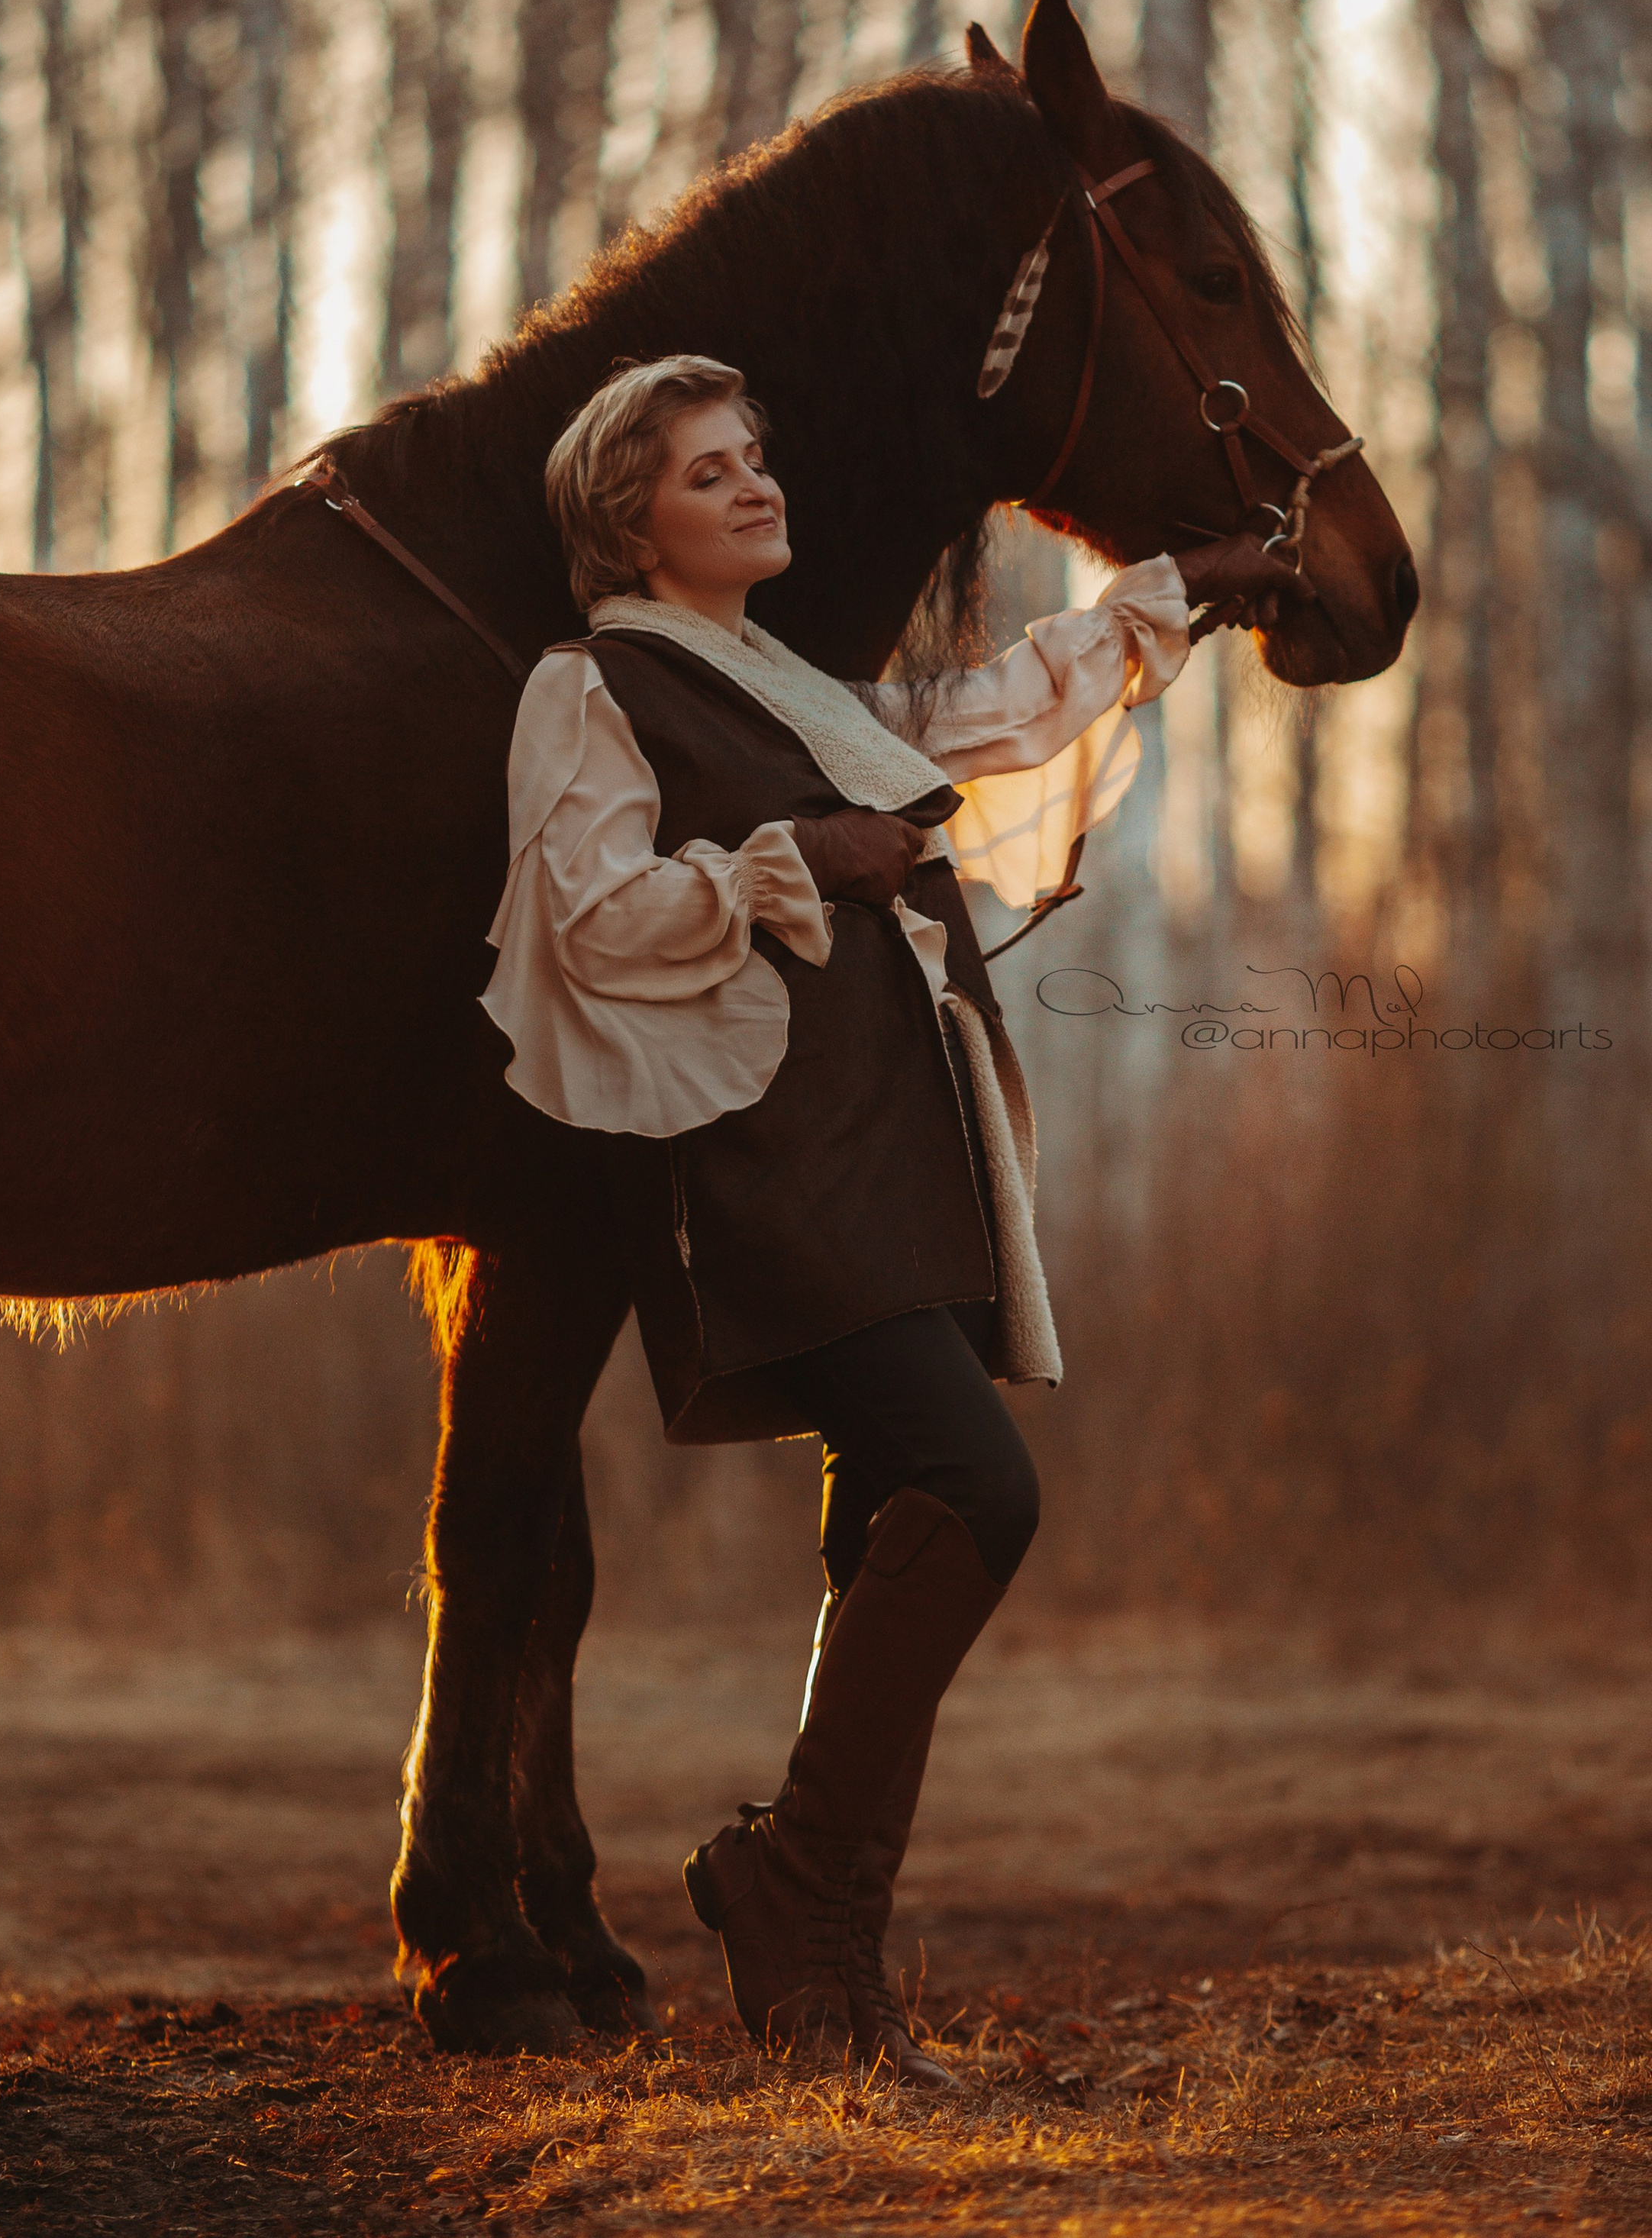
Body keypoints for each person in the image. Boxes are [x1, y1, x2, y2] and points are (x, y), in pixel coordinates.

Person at [480, 354, 1302, 2088]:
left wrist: (1168, 601)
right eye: (709, 474)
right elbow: (585, 920)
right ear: (630, 523)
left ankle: (824, 1978)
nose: (755, 486)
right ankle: (789, 1891)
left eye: (754, 457)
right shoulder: (591, 684)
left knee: (889, 1532)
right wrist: (796, 862)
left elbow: (976, 721)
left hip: (893, 1146)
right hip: (763, 1165)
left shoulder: (779, 677)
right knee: (972, 1486)